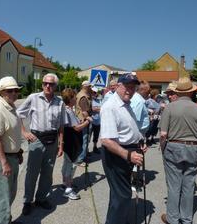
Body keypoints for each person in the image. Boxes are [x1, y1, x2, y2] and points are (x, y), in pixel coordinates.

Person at [100, 73, 147, 224]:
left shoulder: (125, 103)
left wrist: (139, 140)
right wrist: (128, 155)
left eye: (133, 87)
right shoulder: (110, 106)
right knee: (123, 195)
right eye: (127, 86)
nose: (130, 90)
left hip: (126, 152)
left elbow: (128, 128)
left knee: (118, 195)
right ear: (118, 86)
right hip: (117, 155)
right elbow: (106, 140)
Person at [159, 77, 197, 224]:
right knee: (189, 185)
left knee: (174, 185)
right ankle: (186, 219)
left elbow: (163, 134)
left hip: (174, 146)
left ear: (177, 91)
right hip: (194, 147)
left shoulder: (170, 107)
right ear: (191, 92)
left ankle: (173, 219)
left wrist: (163, 149)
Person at [17, 73, 65, 216]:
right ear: (42, 84)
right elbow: (19, 114)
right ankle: (27, 201)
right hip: (36, 140)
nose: (48, 86)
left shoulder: (60, 102)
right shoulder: (33, 98)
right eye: (45, 83)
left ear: (56, 86)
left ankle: (41, 198)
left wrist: (61, 145)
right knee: (32, 173)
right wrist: (24, 132)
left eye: (51, 84)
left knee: (47, 173)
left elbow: (61, 125)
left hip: (52, 141)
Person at [0, 76, 23, 224]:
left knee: (10, 194)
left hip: (10, 157)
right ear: (1, 92)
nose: (14, 93)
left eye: (16, 90)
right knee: (2, 199)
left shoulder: (11, 106)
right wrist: (4, 162)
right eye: (10, 91)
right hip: (0, 158)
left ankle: (5, 220)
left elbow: (11, 135)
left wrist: (18, 152)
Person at [61, 88, 93, 200]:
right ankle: (68, 189)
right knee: (70, 165)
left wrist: (82, 120)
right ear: (70, 98)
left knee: (67, 164)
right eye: (74, 96)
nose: (76, 98)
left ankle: (65, 184)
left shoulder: (67, 109)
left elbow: (74, 124)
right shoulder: (68, 110)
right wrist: (88, 121)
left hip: (68, 140)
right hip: (71, 141)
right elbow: (77, 128)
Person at [75, 80, 92, 165]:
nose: (91, 88)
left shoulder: (80, 94)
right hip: (83, 121)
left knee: (82, 140)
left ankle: (82, 155)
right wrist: (90, 119)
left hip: (80, 120)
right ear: (86, 87)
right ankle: (80, 159)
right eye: (90, 86)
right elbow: (84, 112)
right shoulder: (83, 97)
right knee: (84, 140)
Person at [90, 86, 102, 154]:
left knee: (96, 136)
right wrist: (97, 109)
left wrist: (96, 108)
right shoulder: (90, 100)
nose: (94, 94)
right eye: (93, 92)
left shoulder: (99, 100)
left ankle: (95, 147)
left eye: (95, 93)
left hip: (98, 121)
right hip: (91, 121)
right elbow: (92, 109)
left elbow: (101, 108)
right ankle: (86, 150)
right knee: (88, 137)